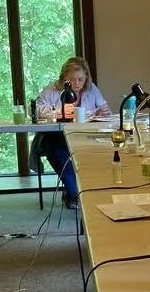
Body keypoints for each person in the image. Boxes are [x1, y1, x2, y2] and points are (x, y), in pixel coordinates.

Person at [35, 57, 110, 209]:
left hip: (84, 134)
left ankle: (79, 192)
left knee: (103, 149)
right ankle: (77, 193)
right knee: (60, 151)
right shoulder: (53, 89)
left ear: (86, 78)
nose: (76, 83)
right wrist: (58, 112)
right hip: (56, 136)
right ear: (64, 78)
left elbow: (105, 109)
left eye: (80, 79)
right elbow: (36, 109)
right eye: (72, 80)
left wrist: (103, 112)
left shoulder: (91, 89)